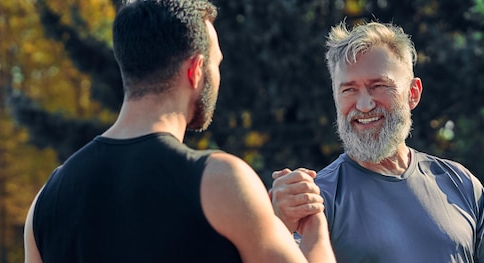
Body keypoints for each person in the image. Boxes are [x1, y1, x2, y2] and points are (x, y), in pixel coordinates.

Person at [22, 0, 335, 262]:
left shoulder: (46, 203)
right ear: (196, 71)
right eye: (216, 64)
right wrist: (313, 224)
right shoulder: (218, 182)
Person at [270, 21, 484, 262]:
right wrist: (280, 227)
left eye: (379, 86)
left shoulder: (462, 184)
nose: (364, 105)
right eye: (349, 90)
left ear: (412, 93)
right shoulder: (317, 201)